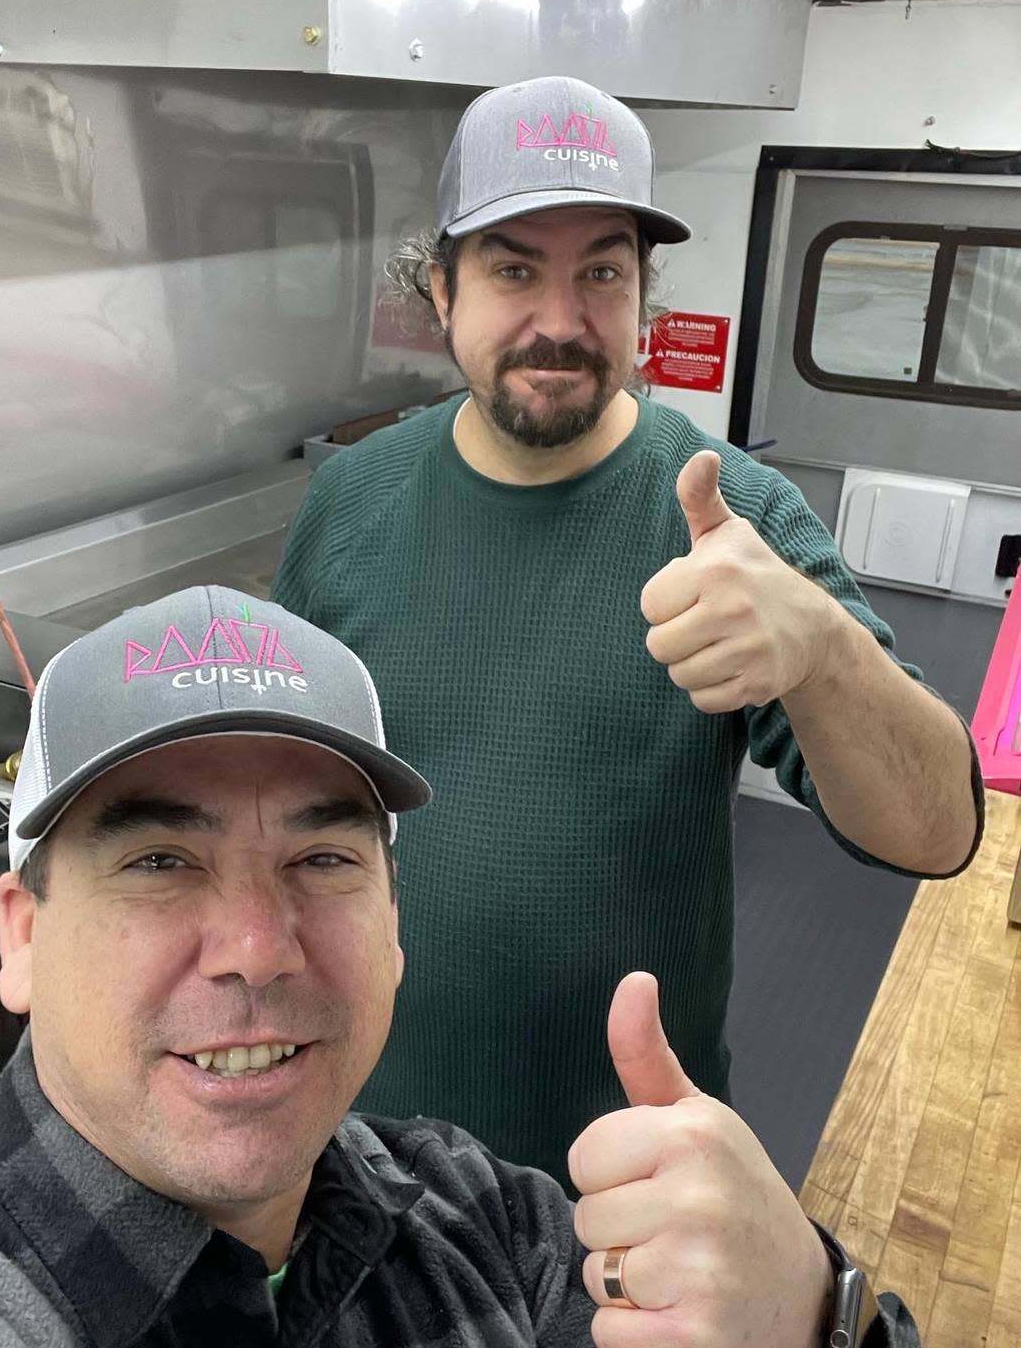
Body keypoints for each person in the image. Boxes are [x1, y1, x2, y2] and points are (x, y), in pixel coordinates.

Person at [271, 73, 984, 1186]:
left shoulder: (730, 518)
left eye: (602, 270)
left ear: (644, 294)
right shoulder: (349, 502)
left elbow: (937, 832)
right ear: (440, 290)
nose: (561, 322)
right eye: (514, 268)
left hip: (625, 1175)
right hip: (369, 1156)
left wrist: (820, 647)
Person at [0, 586, 917, 1348]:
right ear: (22, 937)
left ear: (394, 920)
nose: (257, 948)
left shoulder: (480, 1219)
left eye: (323, 859)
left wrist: (819, 1309)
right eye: (160, 862)